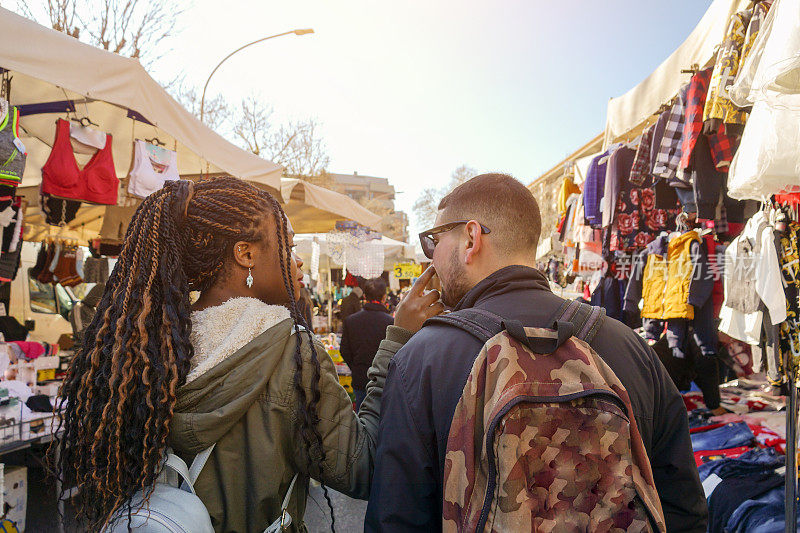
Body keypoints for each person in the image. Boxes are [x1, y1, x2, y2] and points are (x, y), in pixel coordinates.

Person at [52, 177, 443, 532]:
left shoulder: (150, 346)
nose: (298, 259)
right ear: (246, 254)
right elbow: (364, 466)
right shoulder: (292, 354)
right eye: (287, 246)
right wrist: (398, 339)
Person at [365, 173, 707, 532]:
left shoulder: (421, 360)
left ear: (470, 238)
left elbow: (396, 519)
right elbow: (684, 507)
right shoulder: (630, 348)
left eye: (434, 240)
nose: (432, 256)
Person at [340, 278, 394, 411]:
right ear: (384, 297)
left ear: (364, 296)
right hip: (384, 381)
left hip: (360, 378)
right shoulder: (391, 322)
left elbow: (344, 350)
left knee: (362, 420)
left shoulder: (351, 321)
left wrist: (356, 366)